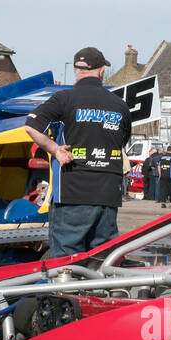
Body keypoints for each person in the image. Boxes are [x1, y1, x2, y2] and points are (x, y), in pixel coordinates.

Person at [22, 47, 132, 257]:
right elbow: (122, 142)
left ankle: (64, 290)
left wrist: (55, 150)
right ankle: (98, 290)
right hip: (108, 195)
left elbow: (31, 126)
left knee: (66, 260)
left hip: (72, 193)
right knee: (102, 258)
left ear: (76, 71)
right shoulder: (120, 106)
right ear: (101, 72)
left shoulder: (65, 98)